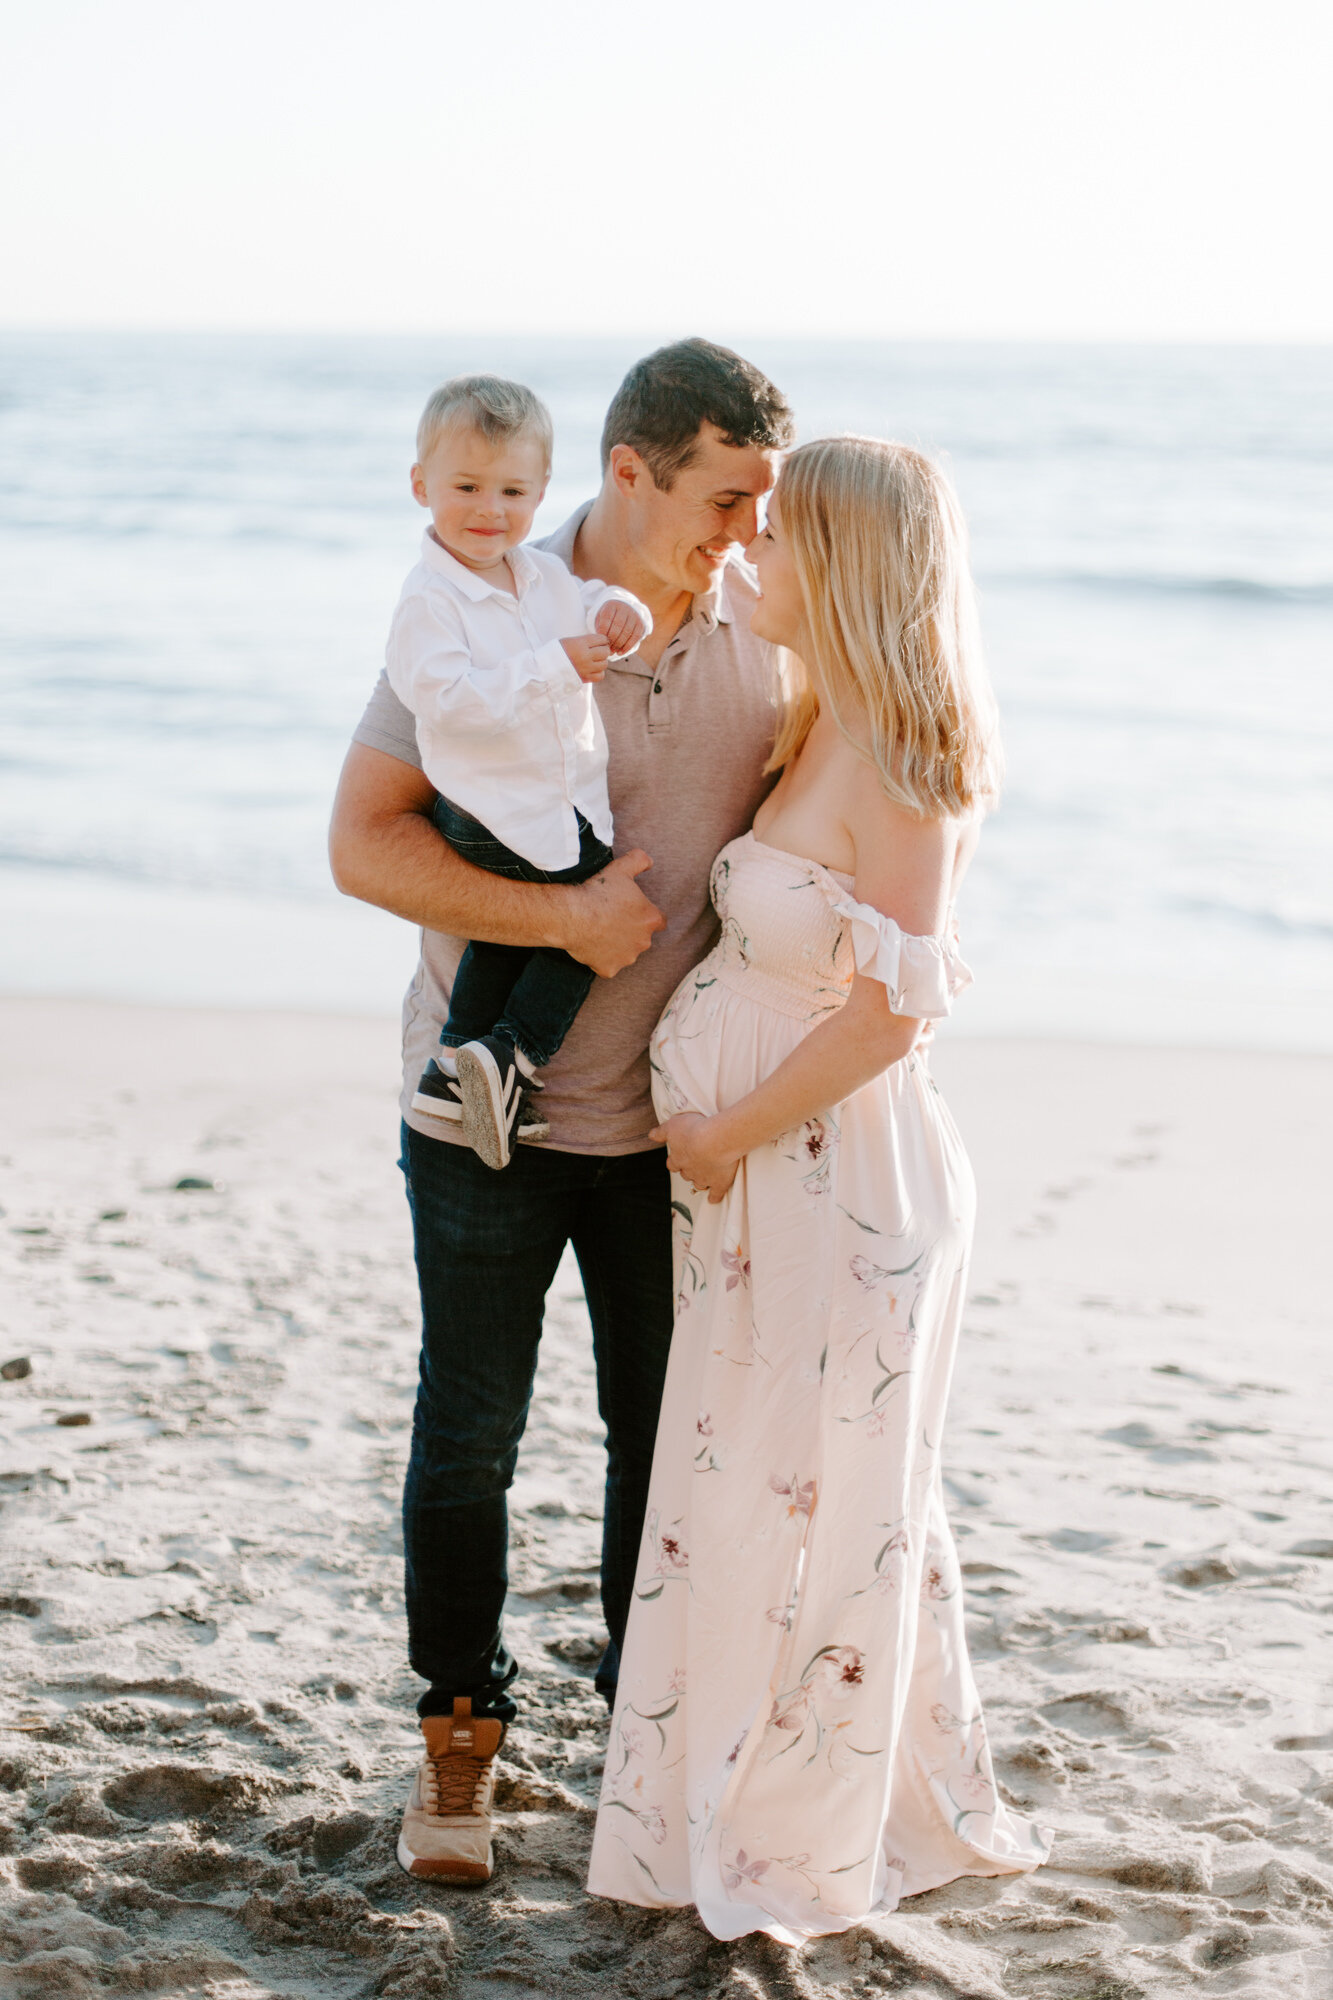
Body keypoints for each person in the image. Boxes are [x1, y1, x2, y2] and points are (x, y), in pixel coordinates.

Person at [328, 339, 795, 1881]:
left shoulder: (764, 653)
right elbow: (364, 848)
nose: (742, 532)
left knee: (660, 1445)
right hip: (483, 1125)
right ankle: (457, 1748)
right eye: (722, 499)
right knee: (468, 1438)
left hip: (665, 1137)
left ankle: (642, 1745)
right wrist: (558, 928)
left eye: (760, 506)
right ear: (630, 471)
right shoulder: (480, 605)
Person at [586, 437, 1052, 1939]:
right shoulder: (812, 720)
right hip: (763, 1185)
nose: (746, 557)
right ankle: (713, 1778)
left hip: (838, 1179)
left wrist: (723, 1136)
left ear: (844, 565)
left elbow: (892, 1014)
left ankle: (795, 1817)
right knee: (749, 1484)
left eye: (775, 538)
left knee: (820, 1500)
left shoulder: (906, 758)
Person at [386, 374, 651, 1169]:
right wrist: (553, 667)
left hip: (534, 802)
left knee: (511, 931)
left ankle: (455, 1070)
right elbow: (448, 701)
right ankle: (513, 1054)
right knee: (593, 898)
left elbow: (587, 597)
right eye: (466, 487)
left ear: (540, 493)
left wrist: (620, 612)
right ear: (421, 486)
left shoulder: (535, 574)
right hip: (487, 807)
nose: (488, 510)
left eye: (511, 491)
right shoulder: (430, 600)